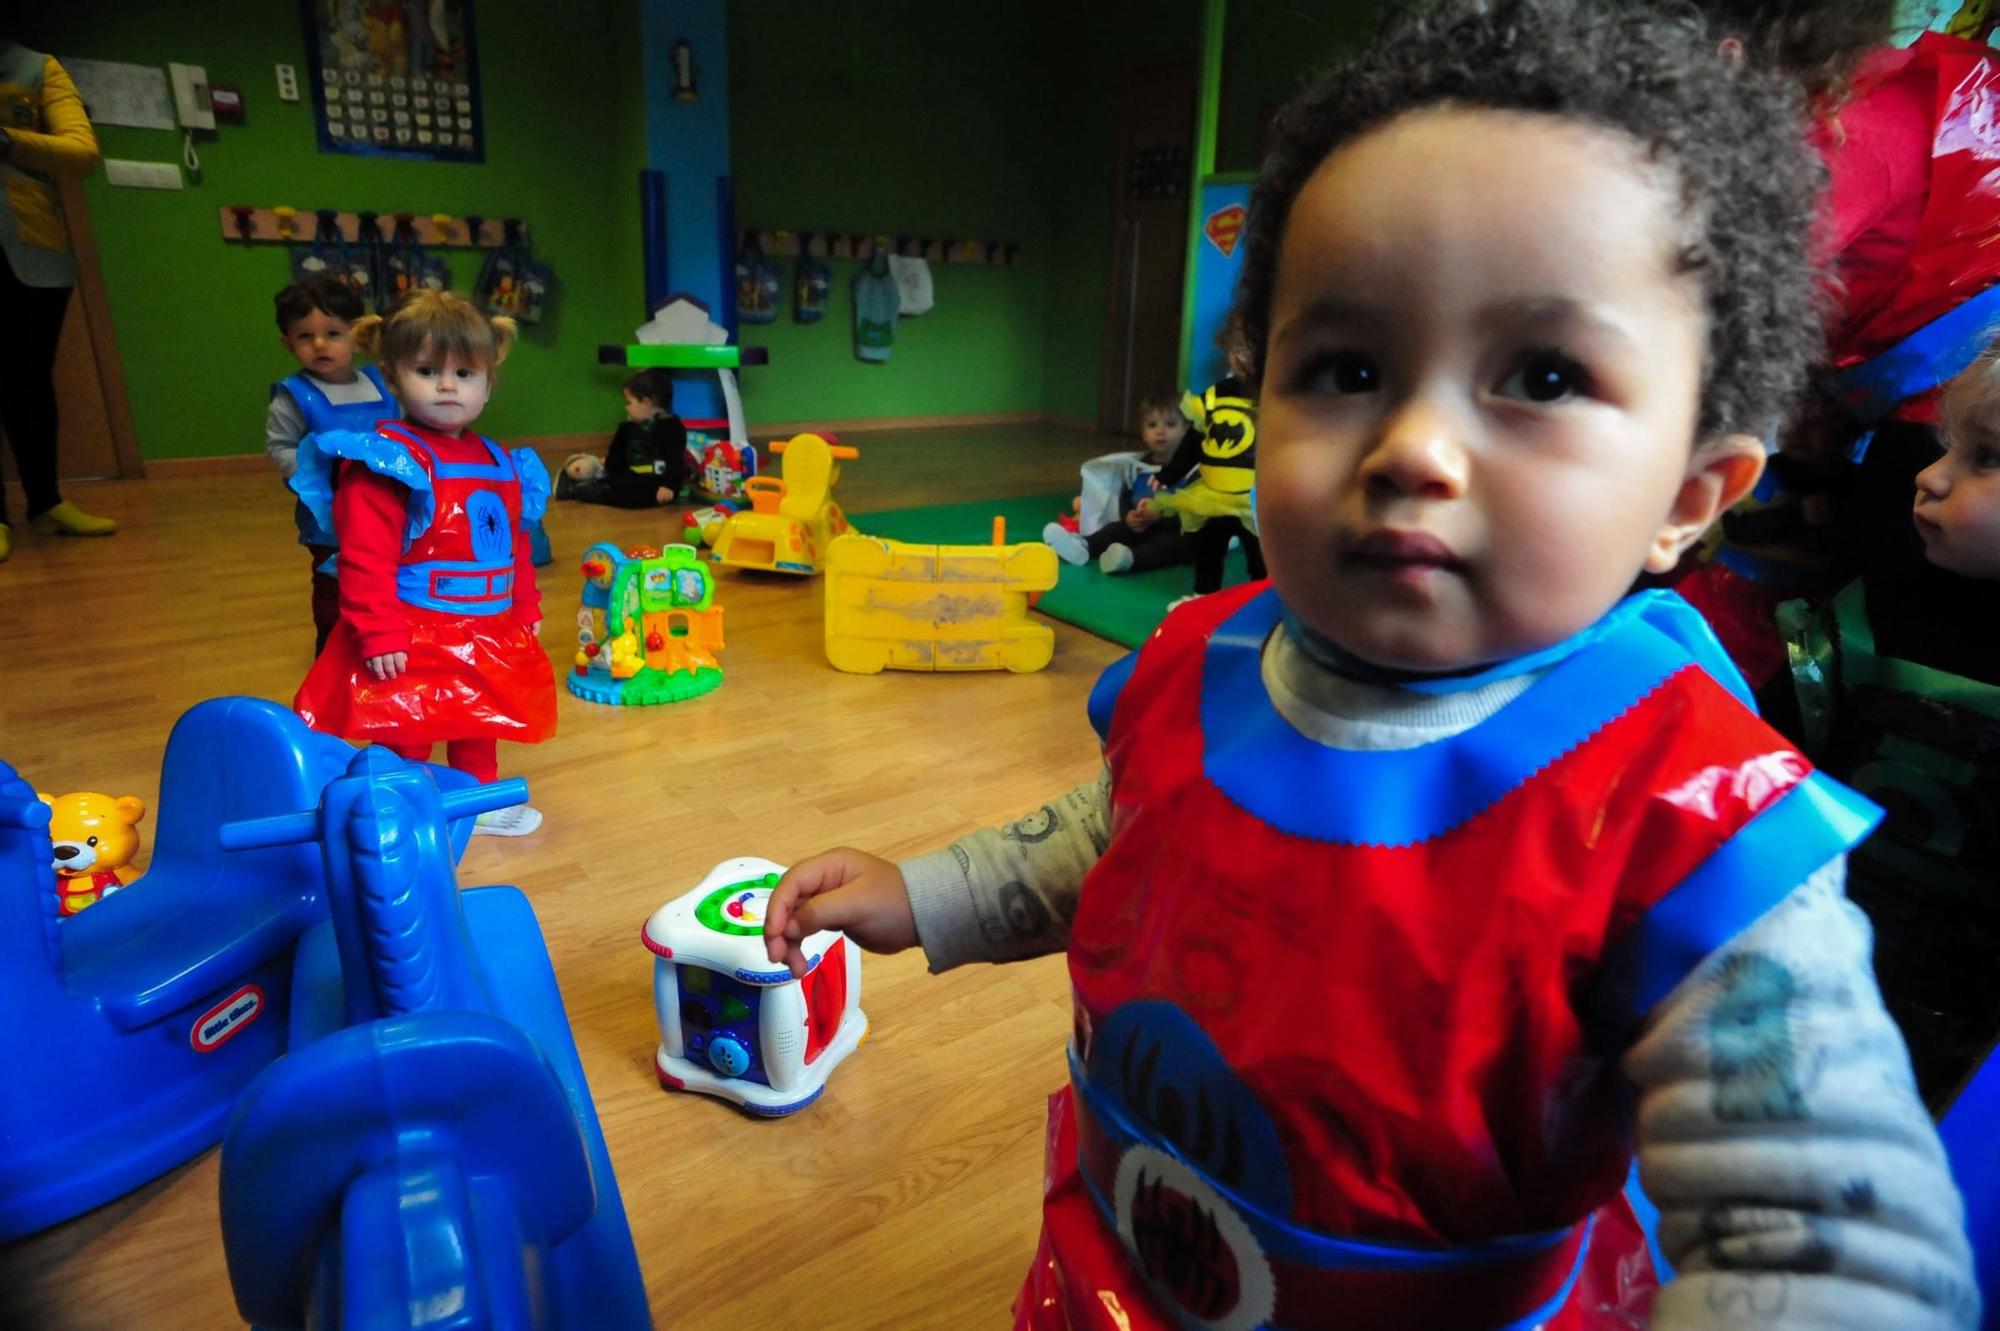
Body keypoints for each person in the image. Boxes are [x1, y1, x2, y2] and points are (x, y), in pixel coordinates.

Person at [759, 3, 1979, 1328]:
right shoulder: (1195, 665)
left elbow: (1826, 1243)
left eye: (1544, 373)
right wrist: (926, 893)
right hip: (1111, 1262)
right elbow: (1119, 845)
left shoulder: (1688, 826)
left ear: (1692, 492)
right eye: (1344, 365)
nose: (1412, 445)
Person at [290, 290, 555, 837]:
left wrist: (525, 606)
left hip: (489, 625)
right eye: (427, 370)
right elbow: (364, 558)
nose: (447, 385)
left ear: (488, 383)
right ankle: (397, 807)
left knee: (479, 719)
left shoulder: (504, 462)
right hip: (414, 626)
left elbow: (515, 545)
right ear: (391, 375)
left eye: (465, 372)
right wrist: (380, 631)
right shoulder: (388, 461)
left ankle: (476, 803)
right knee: (406, 721)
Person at [0, 39, 114, 563]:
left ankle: (45, 503)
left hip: (31, 246)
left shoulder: (35, 66)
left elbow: (81, 151)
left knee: (30, 382)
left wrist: (7, 142)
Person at [266, 276, 393, 656]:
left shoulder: (383, 381)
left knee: (383, 573)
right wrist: (313, 475)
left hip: (384, 507)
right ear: (288, 343)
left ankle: (381, 638)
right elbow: (280, 447)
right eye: (305, 336)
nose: (320, 344)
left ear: (358, 335)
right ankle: (331, 647)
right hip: (329, 514)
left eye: (333, 333)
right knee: (332, 580)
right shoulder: (295, 395)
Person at [1042, 392, 1194, 576]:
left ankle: (1129, 560)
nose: (1160, 431)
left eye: (1170, 425)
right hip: (1141, 528)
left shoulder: (1192, 469)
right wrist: (1129, 516)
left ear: (1185, 429)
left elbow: (1195, 511)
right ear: (1143, 433)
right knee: (1115, 529)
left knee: (1168, 547)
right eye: (1152, 425)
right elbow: (1127, 497)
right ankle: (1084, 546)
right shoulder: (1136, 467)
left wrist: (1161, 516)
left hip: (1175, 531)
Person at [1151, 375, 1265, 594]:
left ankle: (1261, 601)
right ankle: (1203, 596)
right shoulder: (1214, 395)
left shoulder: (1271, 392)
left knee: (1260, 556)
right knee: (1208, 549)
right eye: (1236, 348)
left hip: (1254, 499)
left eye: (1248, 348)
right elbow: (1193, 442)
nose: (1242, 356)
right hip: (1212, 497)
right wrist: (1170, 474)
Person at [556, 368, 689, 509]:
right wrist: (609, 464)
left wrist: (669, 486)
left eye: (629, 402)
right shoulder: (628, 427)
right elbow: (616, 455)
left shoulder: (670, 428)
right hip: (626, 475)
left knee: (633, 495)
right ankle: (581, 480)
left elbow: (675, 460)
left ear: (646, 402)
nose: (626, 408)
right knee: (617, 481)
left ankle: (586, 491)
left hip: (654, 482)